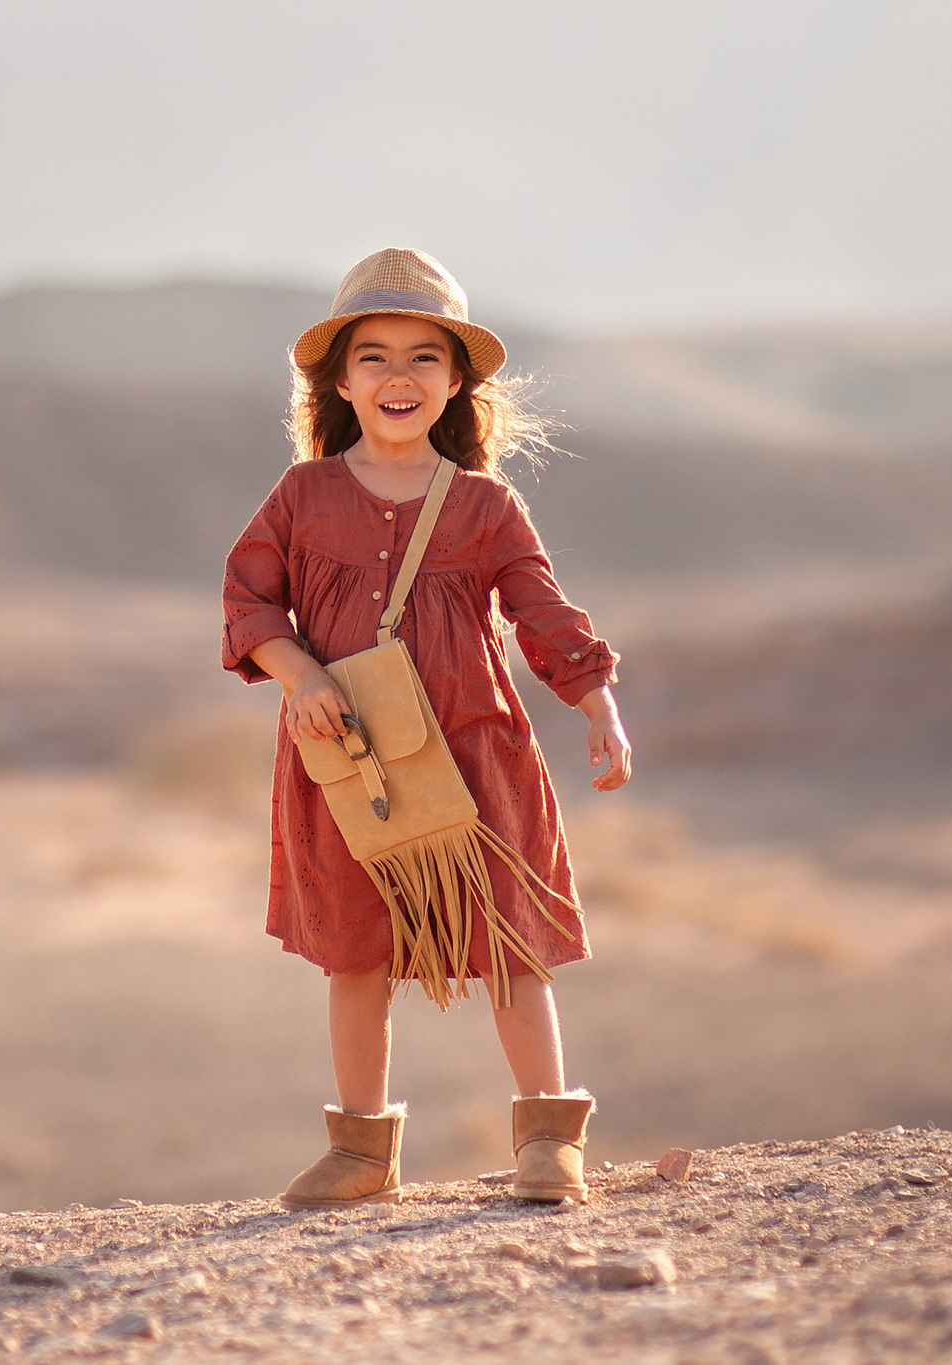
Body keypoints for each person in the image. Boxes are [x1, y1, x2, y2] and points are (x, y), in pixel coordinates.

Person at [221, 248, 631, 1209]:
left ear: (454, 383)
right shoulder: (302, 495)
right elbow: (248, 601)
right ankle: (363, 1152)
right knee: (355, 951)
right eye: (373, 356)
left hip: (477, 755)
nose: (397, 376)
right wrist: (300, 675)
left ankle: (548, 1139)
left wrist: (600, 708)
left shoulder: (486, 505)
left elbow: (545, 615)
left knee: (510, 943)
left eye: (423, 357)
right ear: (341, 381)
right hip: (350, 763)